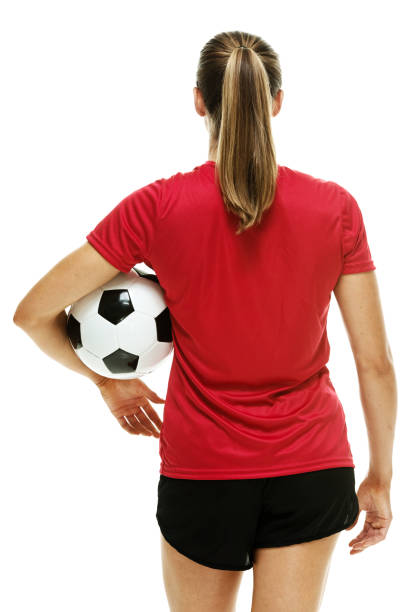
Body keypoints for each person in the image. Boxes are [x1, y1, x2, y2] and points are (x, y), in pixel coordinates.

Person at [13, 29, 396, 612]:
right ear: (276, 101)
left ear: (200, 101)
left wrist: (109, 383)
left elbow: (33, 314)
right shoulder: (335, 208)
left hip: (203, 472)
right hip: (312, 464)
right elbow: (376, 364)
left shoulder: (157, 207)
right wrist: (380, 479)